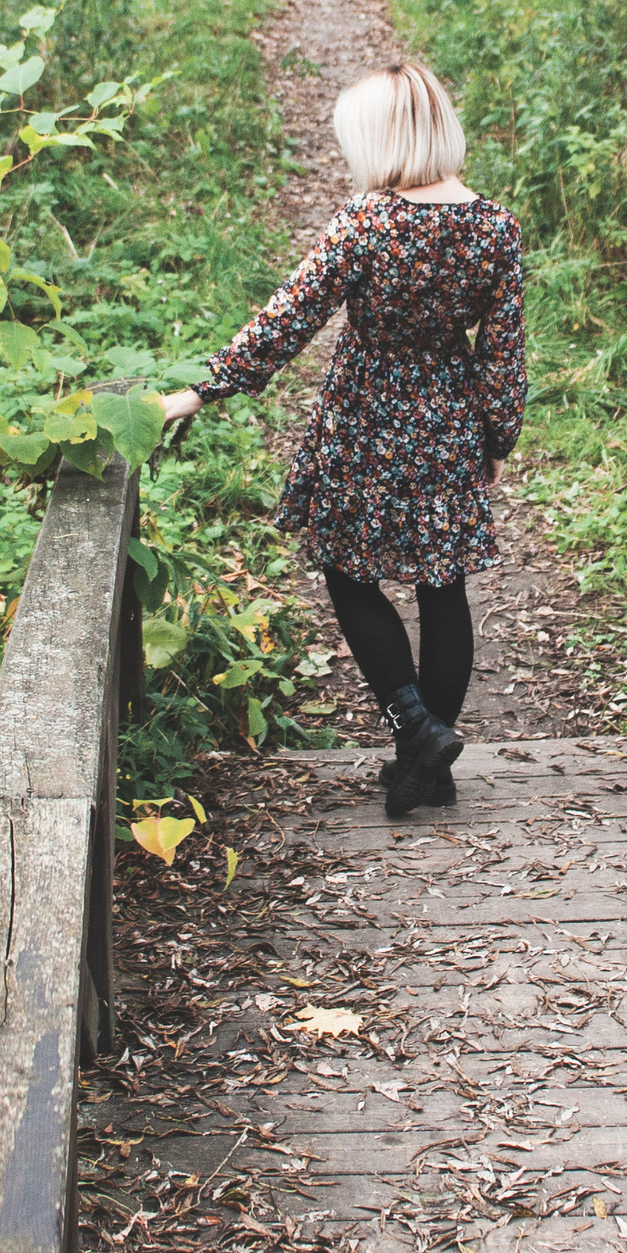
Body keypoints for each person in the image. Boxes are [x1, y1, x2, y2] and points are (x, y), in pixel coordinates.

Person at [159, 61, 525, 819]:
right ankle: (429, 765)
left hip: (365, 418)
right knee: (443, 582)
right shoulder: (495, 227)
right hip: (448, 419)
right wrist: (498, 435)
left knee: (347, 572)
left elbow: (289, 318)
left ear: (380, 137)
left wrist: (202, 389)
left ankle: (415, 729)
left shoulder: (366, 222)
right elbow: (503, 351)